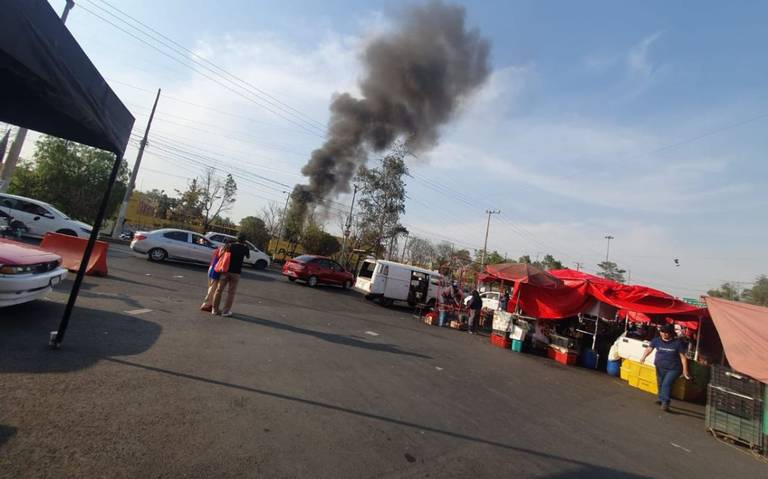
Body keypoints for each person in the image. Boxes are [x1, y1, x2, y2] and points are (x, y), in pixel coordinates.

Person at [639, 323, 691, 412]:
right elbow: (649, 349)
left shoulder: (677, 343)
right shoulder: (656, 340)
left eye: (666, 332)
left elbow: (683, 357)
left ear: (671, 333)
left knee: (666, 384)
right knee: (660, 383)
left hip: (673, 368)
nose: (664, 334)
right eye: (662, 332)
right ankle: (660, 398)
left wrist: (685, 371)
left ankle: (665, 402)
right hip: (659, 366)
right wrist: (643, 357)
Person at [212, 234, 250, 317]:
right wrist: (245, 247)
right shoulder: (245, 248)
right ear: (244, 240)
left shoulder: (230, 246)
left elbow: (221, 253)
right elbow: (248, 257)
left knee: (219, 290)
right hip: (236, 273)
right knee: (231, 293)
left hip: (225, 270)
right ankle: (225, 311)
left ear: (237, 239)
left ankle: (214, 309)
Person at [200, 243, 226, 312]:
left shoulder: (219, 249)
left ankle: (209, 304)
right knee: (212, 289)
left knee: (211, 288)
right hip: (216, 270)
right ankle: (206, 305)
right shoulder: (224, 250)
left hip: (211, 267)